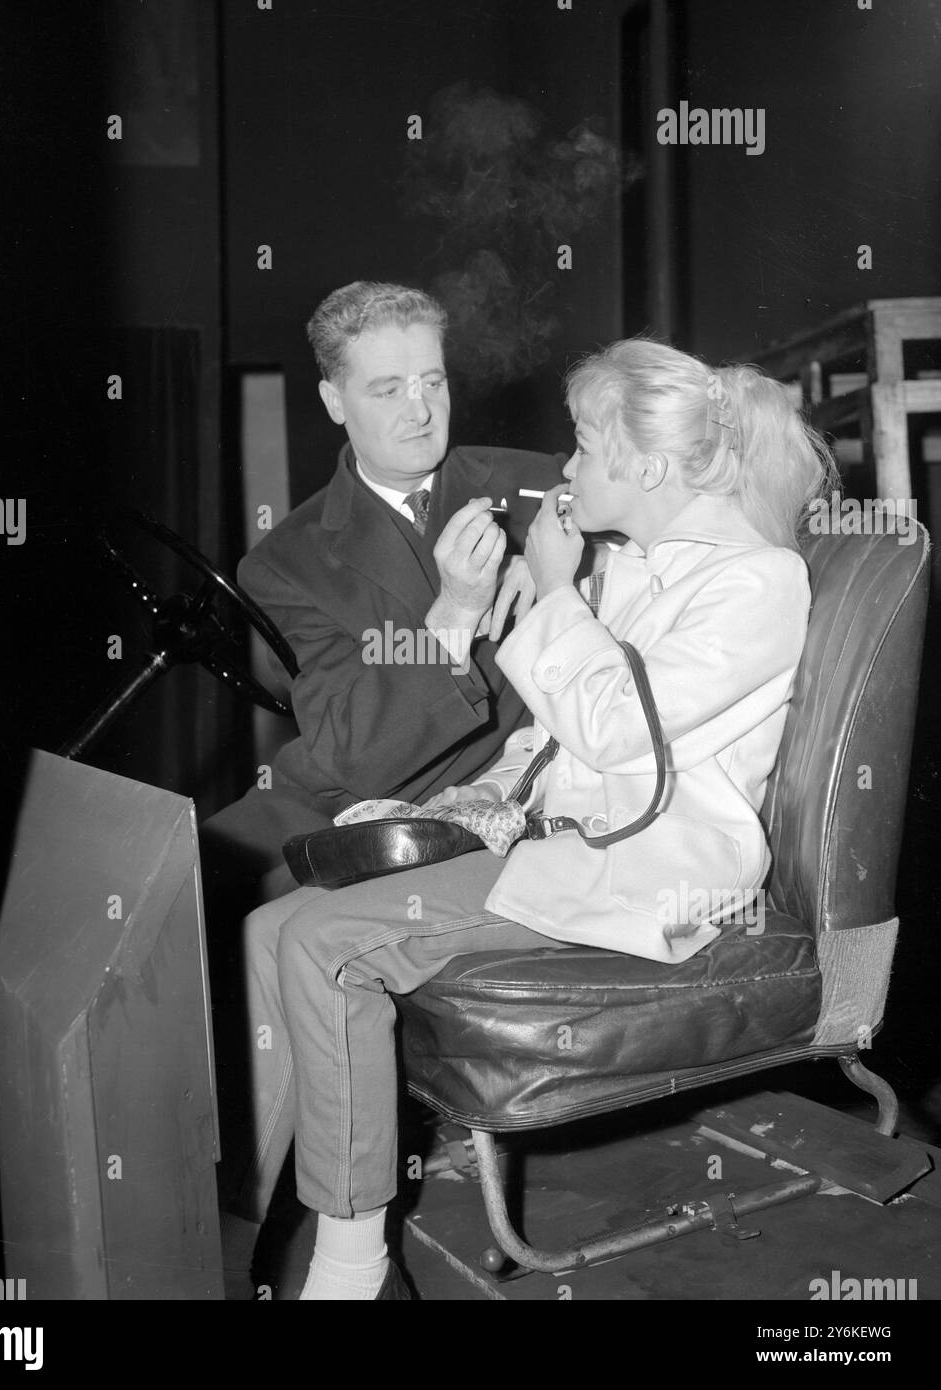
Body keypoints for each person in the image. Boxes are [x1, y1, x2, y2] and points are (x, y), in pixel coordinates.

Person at [231, 337, 838, 1299]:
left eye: (585, 447)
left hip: (653, 872)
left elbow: (608, 724)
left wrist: (555, 592)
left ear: (642, 465)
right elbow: (555, 739)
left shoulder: (754, 580)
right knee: (271, 926)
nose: (564, 470)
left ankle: (351, 1266)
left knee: (325, 942)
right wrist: (485, 791)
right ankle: (272, 1215)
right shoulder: (638, 563)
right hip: (570, 846)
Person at [200, 281, 568, 910]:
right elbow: (351, 751)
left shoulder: (531, 483)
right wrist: (453, 613)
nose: (420, 410)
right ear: (333, 401)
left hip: (461, 798)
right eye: (388, 390)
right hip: (341, 793)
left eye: (433, 381)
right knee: (176, 883)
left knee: (260, 928)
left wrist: (560, 547)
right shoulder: (283, 563)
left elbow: (644, 486)